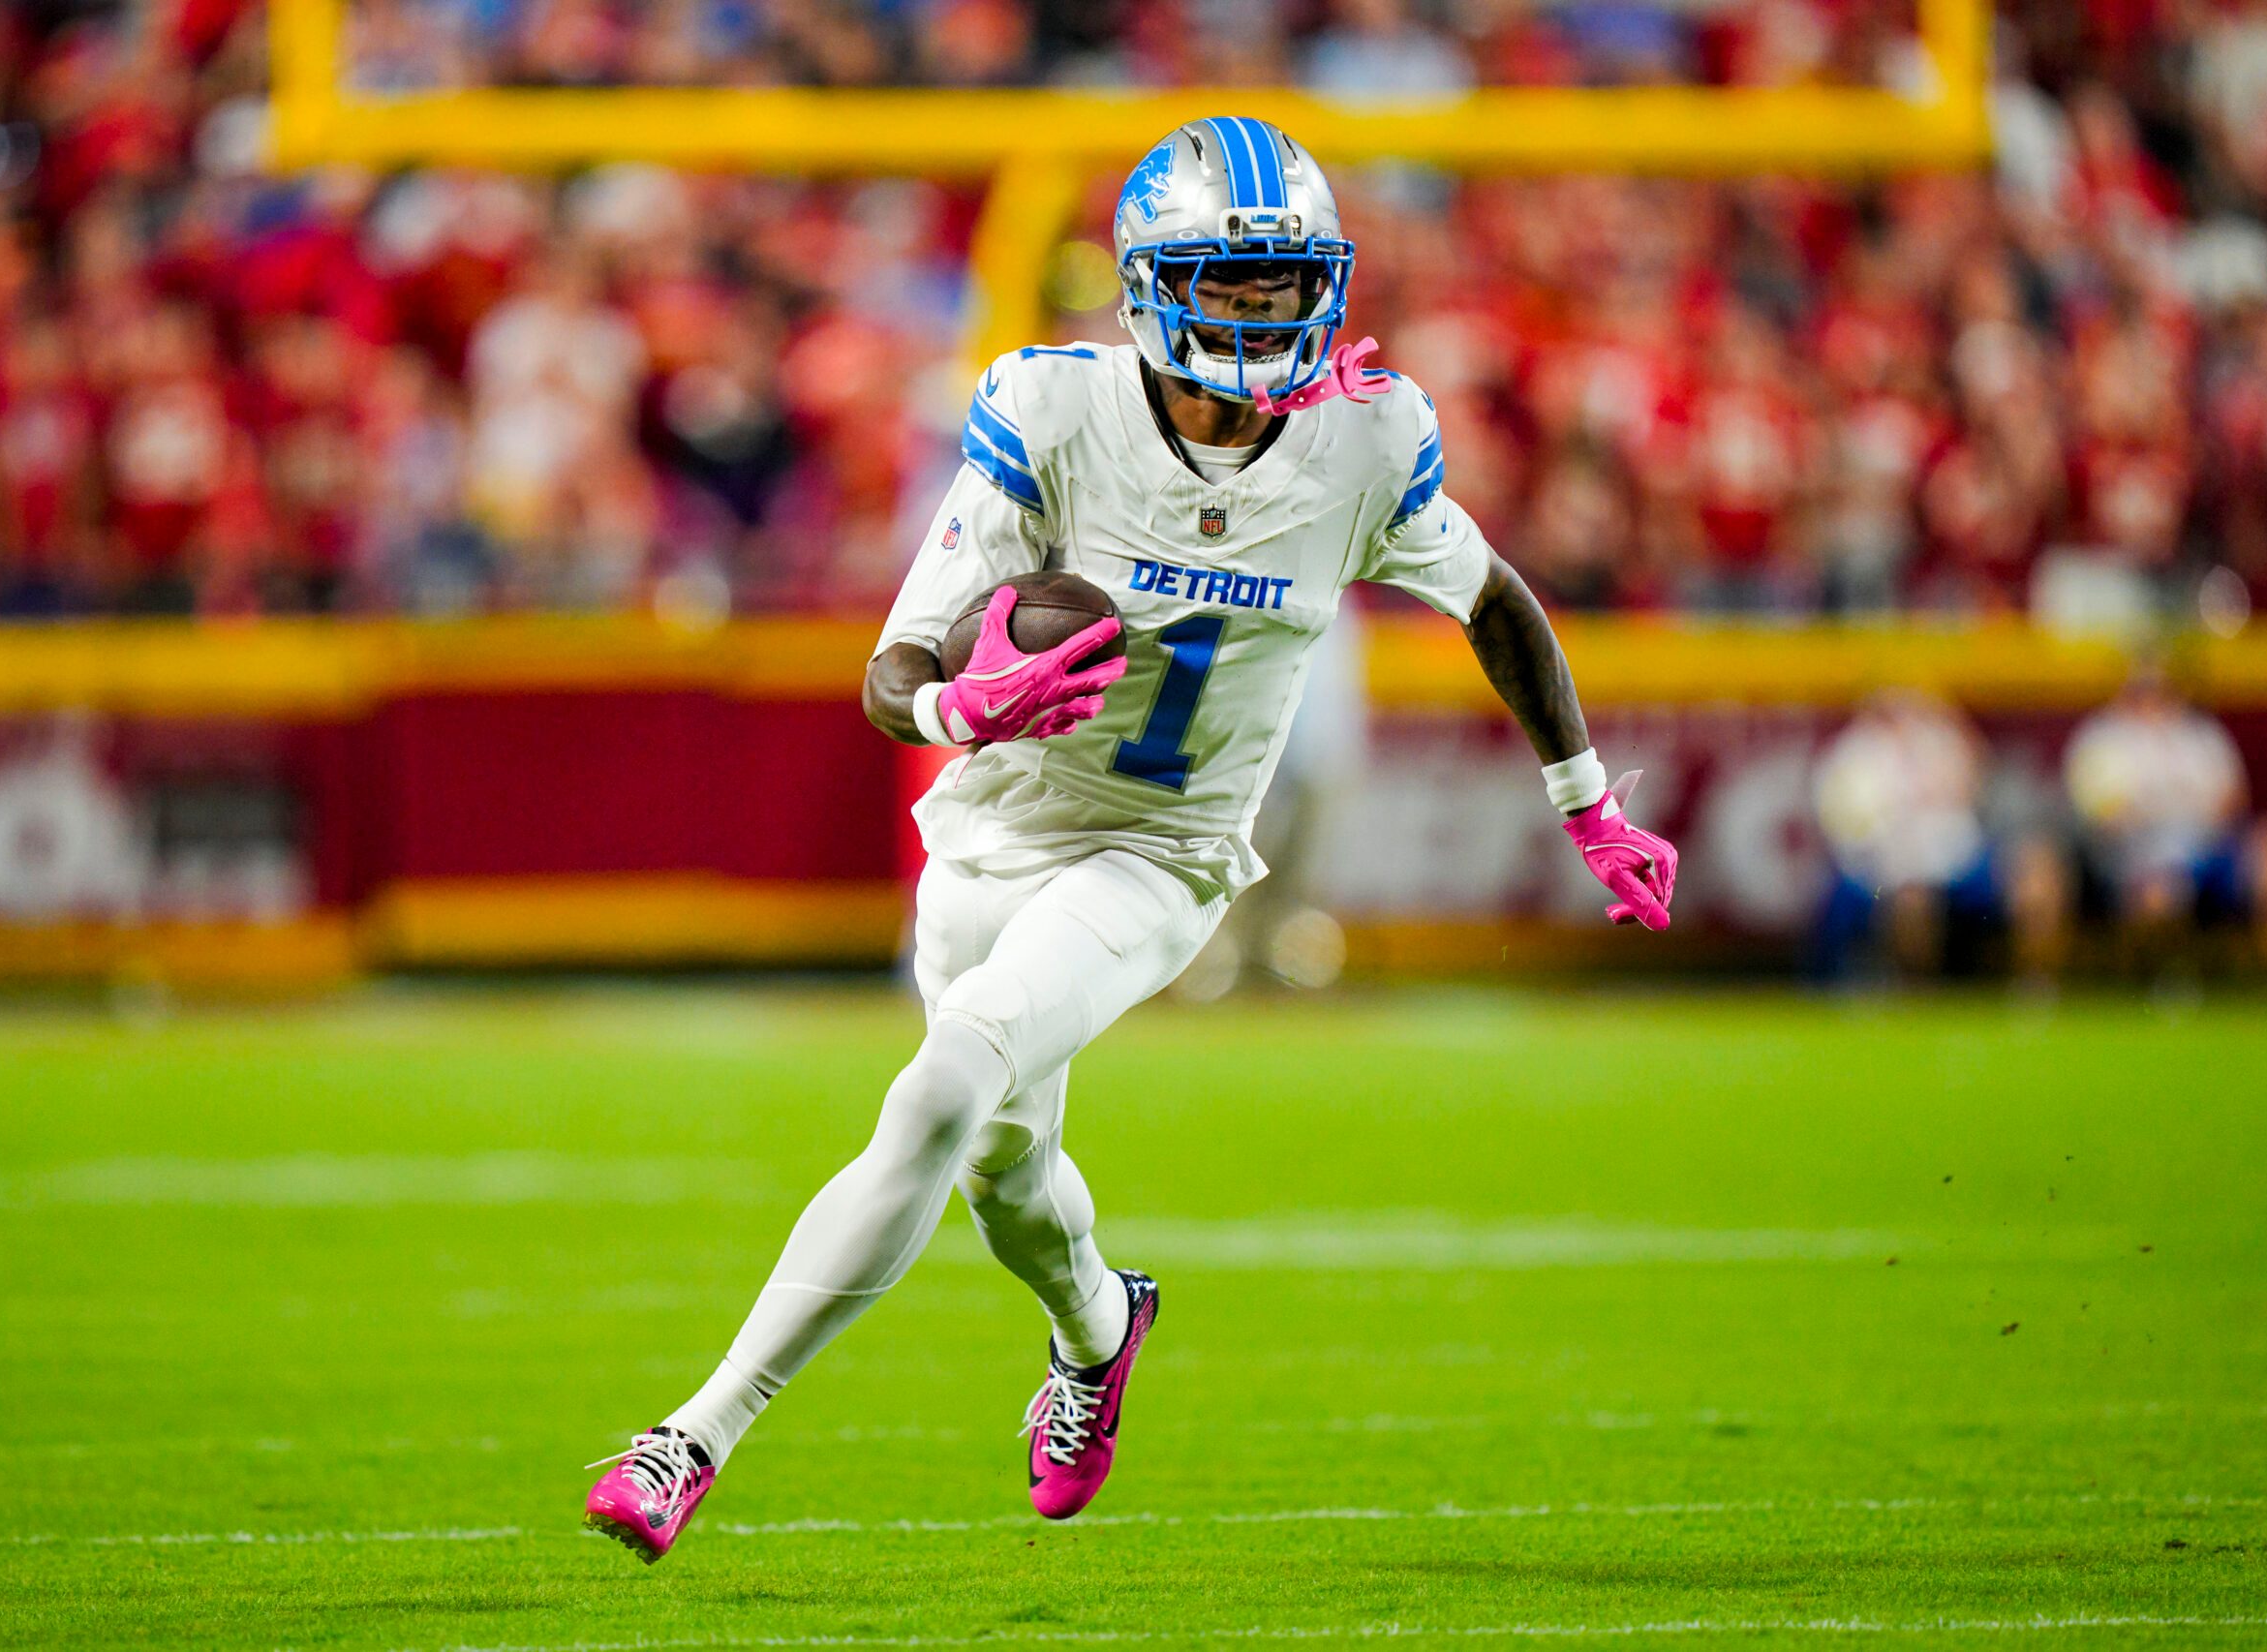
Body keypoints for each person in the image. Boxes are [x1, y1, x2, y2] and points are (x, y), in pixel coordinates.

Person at [580, 117, 1679, 1563]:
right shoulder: (1051, 410)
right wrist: (970, 706)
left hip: (1160, 855)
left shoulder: (1362, 440)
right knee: (1005, 1177)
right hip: (989, 833)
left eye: (1289, 284)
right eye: (1231, 283)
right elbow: (890, 673)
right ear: (1154, 285)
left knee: (942, 1087)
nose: (1267, 313)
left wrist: (1585, 798)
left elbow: (1496, 602)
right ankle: (1099, 1325)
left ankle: (690, 1438)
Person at [2065, 666, 2267, 977]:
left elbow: (2232, 802)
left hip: (2208, 850)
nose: (2153, 694)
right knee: (2159, 894)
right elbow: (2104, 819)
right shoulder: (2103, 738)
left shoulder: (2202, 734)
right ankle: (2159, 991)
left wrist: (2193, 836)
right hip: (2134, 859)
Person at [1809, 688, 2068, 982]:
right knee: (1912, 902)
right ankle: (1912, 993)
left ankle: (2036, 986)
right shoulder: (1852, 755)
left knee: (2036, 875)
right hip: (1886, 873)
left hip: (1956, 863)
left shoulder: (1940, 737)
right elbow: (1849, 836)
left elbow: (1979, 796)